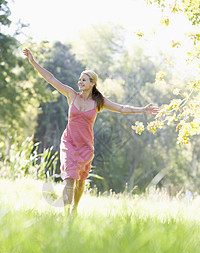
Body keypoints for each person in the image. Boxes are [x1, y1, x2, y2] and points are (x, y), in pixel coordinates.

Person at [23, 48, 160, 214]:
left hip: (86, 146)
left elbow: (122, 108)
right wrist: (33, 62)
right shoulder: (71, 95)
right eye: (80, 79)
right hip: (69, 142)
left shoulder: (98, 101)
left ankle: (75, 208)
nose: (80, 82)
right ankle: (67, 215)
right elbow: (51, 79)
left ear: (92, 83)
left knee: (80, 181)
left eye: (84, 80)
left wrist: (143, 109)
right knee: (70, 178)